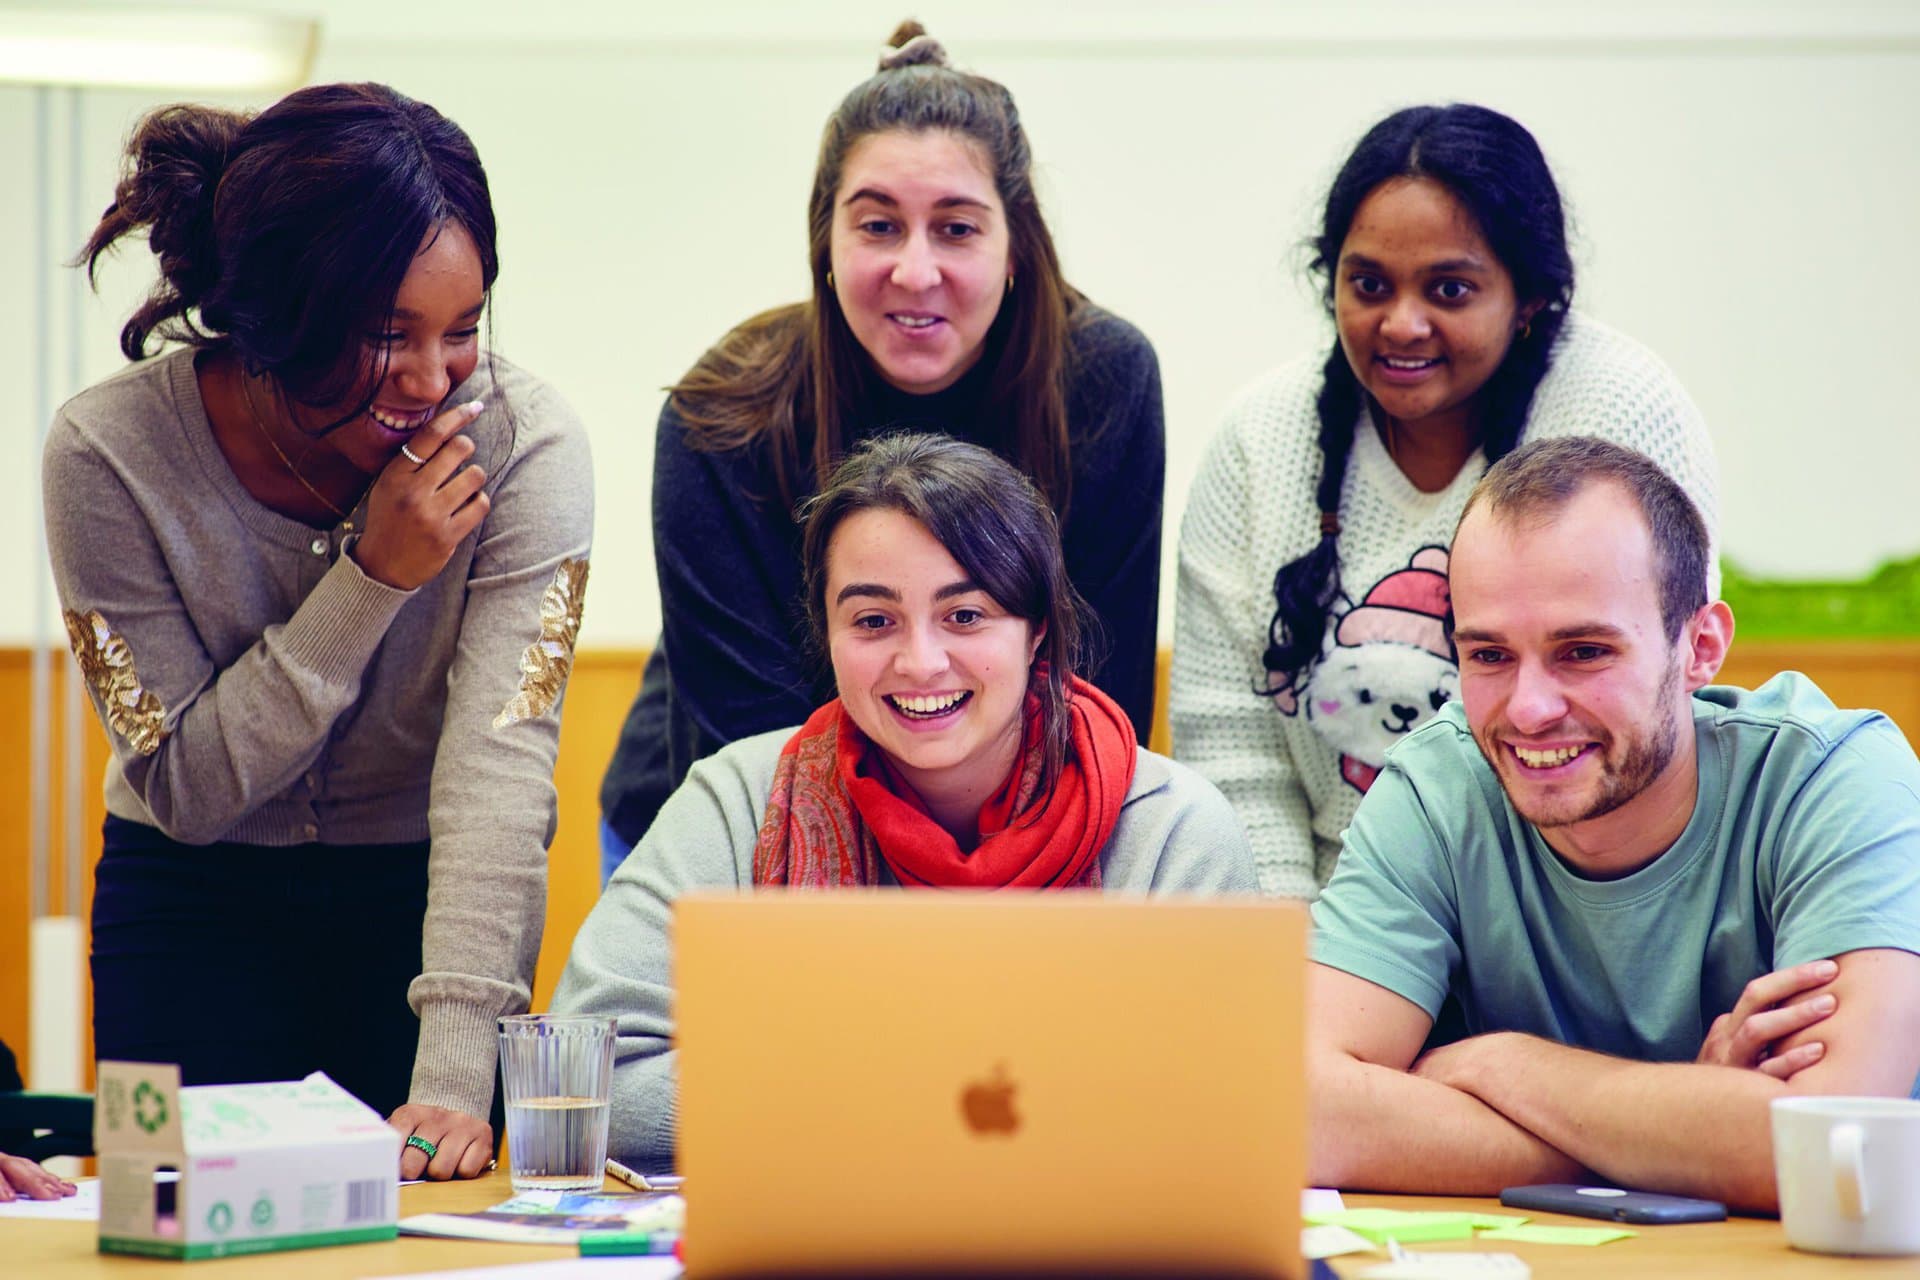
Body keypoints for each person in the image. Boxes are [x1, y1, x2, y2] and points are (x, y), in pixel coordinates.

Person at [43, 83, 593, 1181]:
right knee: (168, 1218)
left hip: (422, 908)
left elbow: (501, 768)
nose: (434, 379)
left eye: (465, 329)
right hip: (185, 901)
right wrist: (371, 580)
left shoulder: (527, 448)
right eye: (387, 336)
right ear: (276, 316)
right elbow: (186, 785)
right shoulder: (107, 456)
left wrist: (449, 1069)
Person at [557, 434, 1253, 1163]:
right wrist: (920, 1095)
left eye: (966, 616)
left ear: (1036, 629)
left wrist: (807, 1087)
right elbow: (583, 1078)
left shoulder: (1174, 831)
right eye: (873, 621)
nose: (920, 662)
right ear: (825, 633)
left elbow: (1225, 1106)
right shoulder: (741, 801)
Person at [597, 21, 1166, 882]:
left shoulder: (1103, 381)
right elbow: (746, 739)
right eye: (878, 226)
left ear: (1017, 248)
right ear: (826, 241)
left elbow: (1101, 698)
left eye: (957, 229)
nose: (914, 270)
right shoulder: (724, 412)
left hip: (1023, 845)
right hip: (747, 828)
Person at [1307, 436, 1920, 1213]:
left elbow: (1835, 1151)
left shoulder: (1835, 778)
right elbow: (1304, 1109)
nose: (1528, 709)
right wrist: (1686, 1131)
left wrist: (1504, 1067)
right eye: (1489, 655)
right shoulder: (1438, 786)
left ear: (1701, 647)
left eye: (1584, 651)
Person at [1172, 104, 1719, 898]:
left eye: (1450, 289)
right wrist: (1296, 963)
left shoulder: (1619, 411)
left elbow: (1639, 713)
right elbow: (1234, 750)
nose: (1402, 323)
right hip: (1322, 920)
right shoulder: (1261, 439)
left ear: (1528, 298)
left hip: (1550, 918)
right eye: (1368, 285)